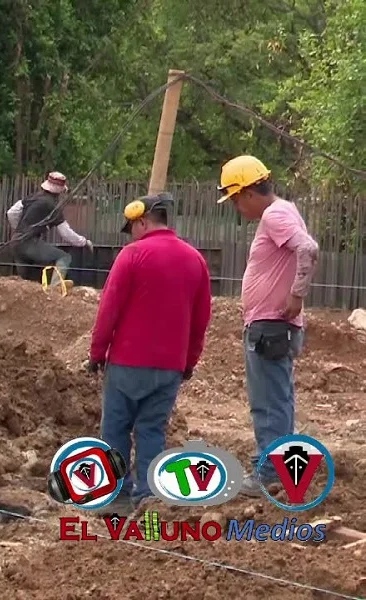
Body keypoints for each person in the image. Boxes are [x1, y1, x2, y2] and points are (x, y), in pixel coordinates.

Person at [88, 192, 212, 515]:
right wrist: (189, 361)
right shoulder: (195, 260)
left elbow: (109, 309)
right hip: (169, 367)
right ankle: (148, 498)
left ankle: (115, 497)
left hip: (127, 363)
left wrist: (97, 353)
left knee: (115, 428)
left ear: (142, 221)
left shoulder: (132, 256)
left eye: (131, 227)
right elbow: (201, 319)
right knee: (151, 430)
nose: (130, 234)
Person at [217, 155, 319, 497]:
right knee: (279, 398)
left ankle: (271, 474)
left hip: (271, 326)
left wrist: (297, 295)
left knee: (267, 402)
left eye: (234, 198)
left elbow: (307, 248)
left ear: (247, 192)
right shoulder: (284, 210)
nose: (235, 206)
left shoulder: (275, 214)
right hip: (274, 326)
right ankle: (284, 469)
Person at [12, 171, 93, 284]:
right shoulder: (53, 206)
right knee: (64, 258)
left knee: (26, 283)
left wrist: (19, 230)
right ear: (59, 192)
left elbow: (12, 212)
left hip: (16, 242)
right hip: (29, 243)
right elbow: (66, 233)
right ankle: (54, 289)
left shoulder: (33, 197)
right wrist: (84, 242)